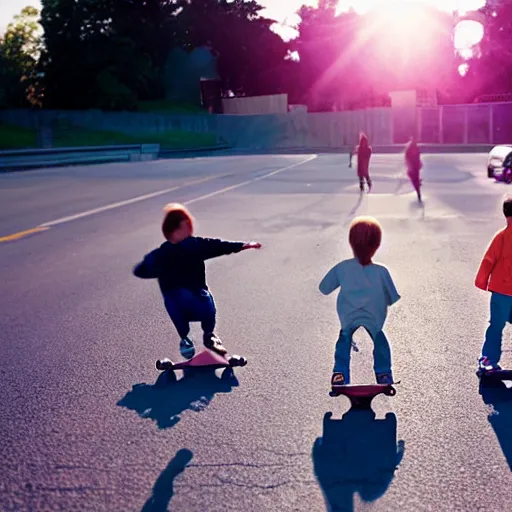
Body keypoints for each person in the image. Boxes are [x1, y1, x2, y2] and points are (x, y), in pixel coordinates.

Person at [133, 203, 261, 359]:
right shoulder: (165, 253)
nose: (190, 229)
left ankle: (209, 336)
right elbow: (141, 270)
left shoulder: (192, 246)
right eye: (186, 225)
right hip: (179, 300)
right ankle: (187, 340)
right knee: (178, 302)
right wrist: (154, 268)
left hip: (195, 298)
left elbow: (217, 246)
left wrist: (242, 246)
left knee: (204, 304)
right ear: (175, 230)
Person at [319, 216, 401, 386]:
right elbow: (393, 297)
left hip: (348, 315)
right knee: (380, 340)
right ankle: (384, 374)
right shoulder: (381, 271)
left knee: (344, 339)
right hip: (375, 316)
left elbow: (324, 288)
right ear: (377, 246)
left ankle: (339, 373)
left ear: (351, 243)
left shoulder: (342, 268)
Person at [475, 196, 512, 371]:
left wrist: (482, 281)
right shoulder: (502, 238)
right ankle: (488, 358)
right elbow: (489, 260)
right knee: (496, 325)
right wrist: (482, 281)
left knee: (496, 325)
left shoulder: (501, 237)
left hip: (501, 292)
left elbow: (489, 260)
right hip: (502, 293)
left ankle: (488, 359)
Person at [404, 136, 423, 202]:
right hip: (413, 165)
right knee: (414, 178)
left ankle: (418, 192)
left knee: (414, 178)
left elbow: (416, 156)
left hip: (415, 165)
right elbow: (407, 157)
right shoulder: (410, 147)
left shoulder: (414, 147)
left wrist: (419, 162)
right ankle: (418, 187)